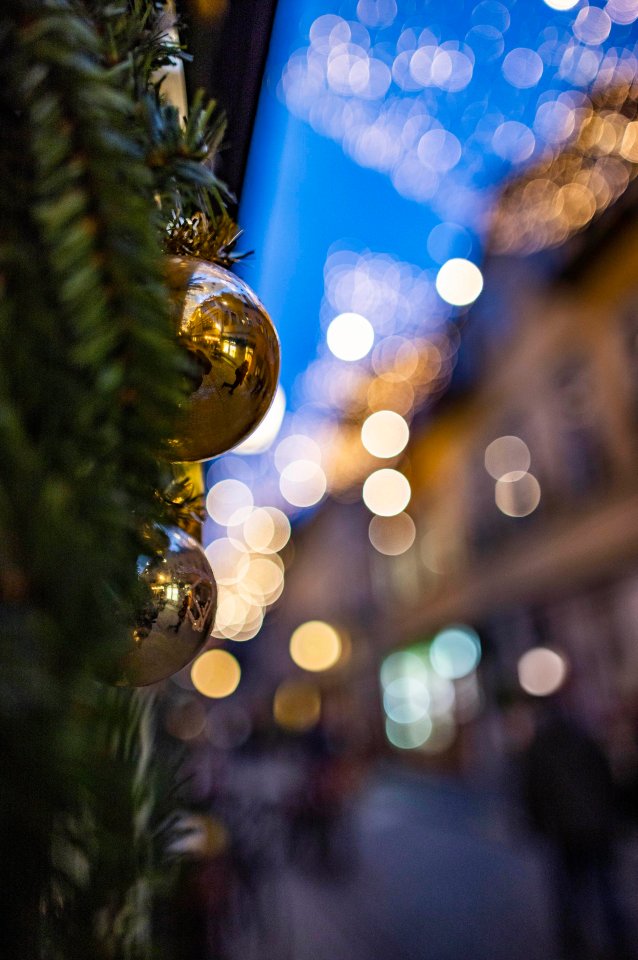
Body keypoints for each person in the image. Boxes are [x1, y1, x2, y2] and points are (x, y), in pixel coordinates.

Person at [521, 700, 634, 960]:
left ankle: (573, 939)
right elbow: (606, 779)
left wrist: (538, 824)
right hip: (595, 826)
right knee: (604, 886)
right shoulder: (585, 742)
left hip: (564, 831)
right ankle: (617, 938)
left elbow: (533, 792)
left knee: (568, 888)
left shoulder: (539, 750)